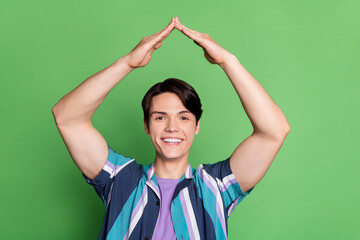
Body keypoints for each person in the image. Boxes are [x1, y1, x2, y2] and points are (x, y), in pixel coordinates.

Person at [52, 16, 290, 240]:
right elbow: (67, 116)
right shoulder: (119, 179)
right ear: (146, 125)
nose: (172, 127)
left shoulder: (216, 187)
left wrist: (228, 61)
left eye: (184, 118)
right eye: (160, 117)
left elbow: (274, 131)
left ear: (197, 126)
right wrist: (127, 63)